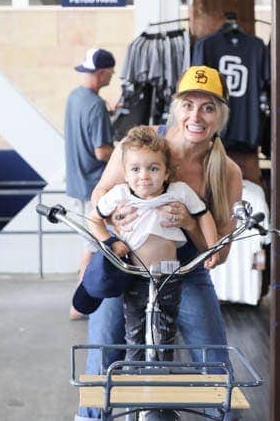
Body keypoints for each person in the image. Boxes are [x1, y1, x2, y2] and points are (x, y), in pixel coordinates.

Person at [60, 65, 253, 421]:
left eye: (208, 107)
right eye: (188, 104)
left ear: (220, 117)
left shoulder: (224, 172)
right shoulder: (138, 148)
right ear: (175, 109)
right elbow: (97, 201)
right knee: (100, 361)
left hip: (182, 274)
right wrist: (113, 233)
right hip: (125, 269)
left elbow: (219, 251)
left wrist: (189, 223)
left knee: (215, 361)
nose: (197, 114)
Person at [72, 125, 220, 353]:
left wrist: (213, 248)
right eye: (135, 169)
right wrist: (111, 243)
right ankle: (135, 374)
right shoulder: (120, 194)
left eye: (153, 169)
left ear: (166, 172)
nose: (144, 176)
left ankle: (161, 371)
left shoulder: (178, 191)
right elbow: (94, 219)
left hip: (169, 273)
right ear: (126, 172)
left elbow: (204, 215)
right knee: (134, 330)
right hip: (133, 273)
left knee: (165, 331)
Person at [64, 48, 116, 319]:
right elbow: (101, 152)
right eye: (110, 73)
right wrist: (124, 152)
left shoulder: (75, 97)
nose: (112, 77)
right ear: (101, 73)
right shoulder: (96, 105)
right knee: (93, 248)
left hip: (75, 182)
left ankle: (81, 303)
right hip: (92, 186)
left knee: (88, 244)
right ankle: (79, 306)